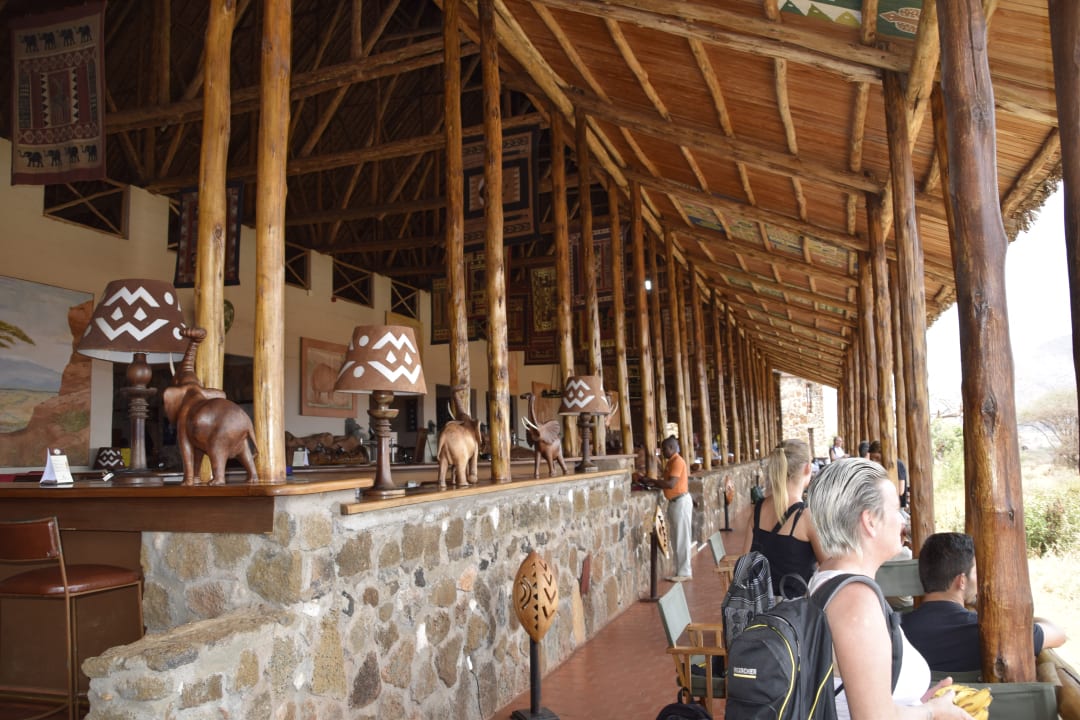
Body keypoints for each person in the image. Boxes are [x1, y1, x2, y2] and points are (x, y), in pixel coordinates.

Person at [807, 458, 973, 720]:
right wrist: (932, 711)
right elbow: (872, 717)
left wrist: (918, 705)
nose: (902, 518)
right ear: (870, 521)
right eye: (896, 508)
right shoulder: (855, 601)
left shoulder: (828, 575)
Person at [901, 532, 1067, 674]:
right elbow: (1058, 634)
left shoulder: (896, 630)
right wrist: (988, 609)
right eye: (976, 572)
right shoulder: (991, 632)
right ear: (961, 581)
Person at [740, 438, 824, 598]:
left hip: (760, 608)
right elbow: (829, 570)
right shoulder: (806, 517)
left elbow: (744, 566)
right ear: (808, 468)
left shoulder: (758, 509)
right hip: (795, 611)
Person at [653, 435, 692, 582]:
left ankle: (685, 572)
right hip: (675, 502)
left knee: (682, 538)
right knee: (676, 538)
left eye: (664, 449)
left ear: (671, 448)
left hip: (680, 502)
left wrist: (653, 481)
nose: (662, 452)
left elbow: (670, 484)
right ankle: (679, 571)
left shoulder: (677, 461)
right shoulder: (670, 462)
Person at [868, 441, 910, 508]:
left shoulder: (898, 464)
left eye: (877, 458)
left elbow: (900, 491)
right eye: (872, 459)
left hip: (897, 505)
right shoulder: (878, 467)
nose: (874, 461)